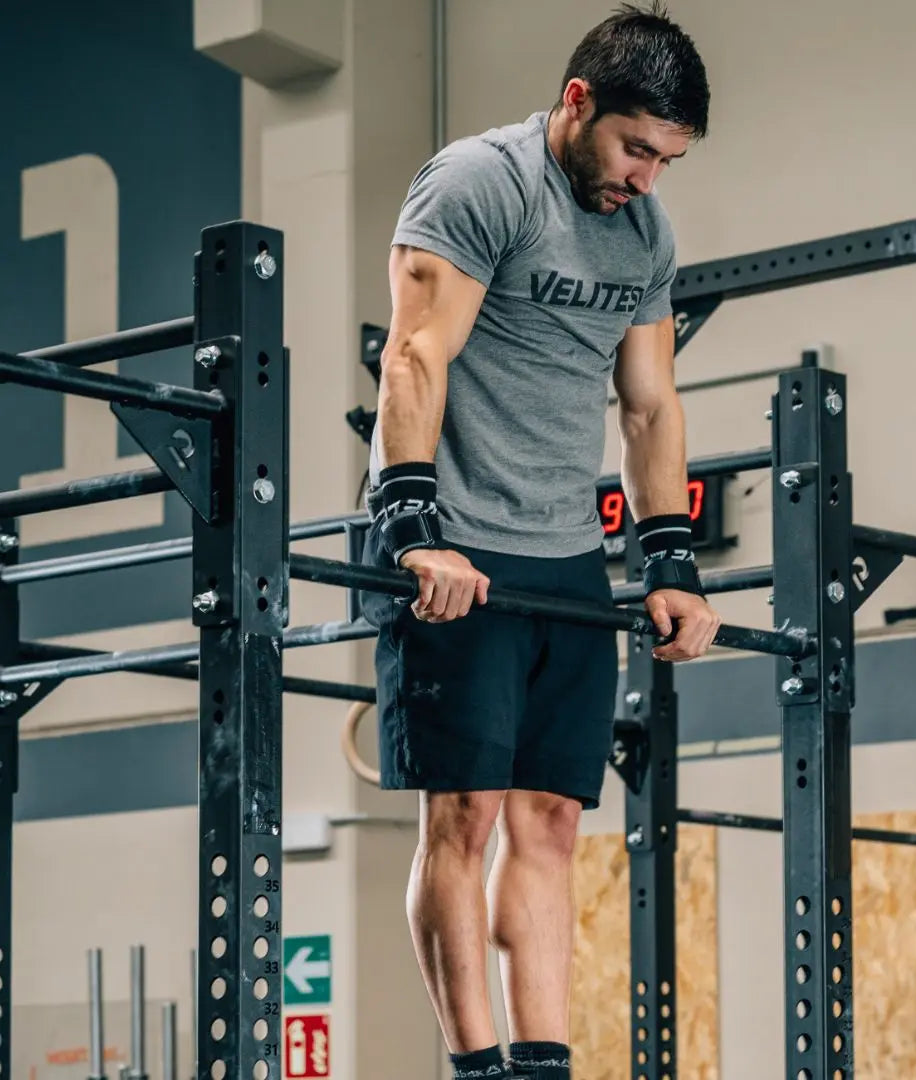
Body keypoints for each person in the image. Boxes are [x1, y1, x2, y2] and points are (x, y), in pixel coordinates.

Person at [359, 4, 715, 1077]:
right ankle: (478, 1066)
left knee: (553, 818)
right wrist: (413, 528)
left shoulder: (645, 233)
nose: (647, 177)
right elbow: (415, 355)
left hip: (564, 553)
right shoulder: (482, 183)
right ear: (577, 102)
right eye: (635, 147)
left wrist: (669, 560)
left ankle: (544, 1061)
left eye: (668, 159)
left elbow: (649, 406)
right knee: (464, 814)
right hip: (456, 535)